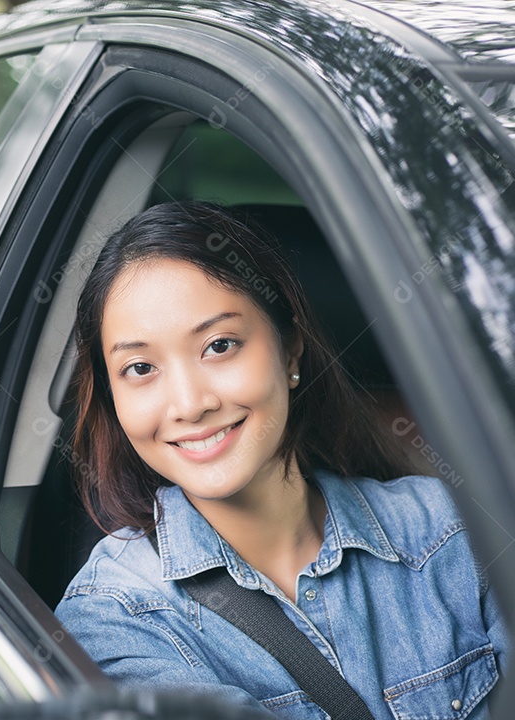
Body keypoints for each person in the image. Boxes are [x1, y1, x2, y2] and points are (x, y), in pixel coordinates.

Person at [54, 201, 508, 718]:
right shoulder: (115, 617)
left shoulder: (453, 530)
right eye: (140, 368)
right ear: (112, 395)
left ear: (290, 350)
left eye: (219, 345)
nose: (189, 403)